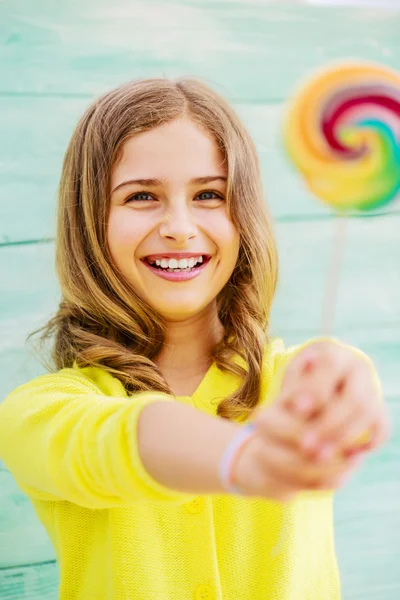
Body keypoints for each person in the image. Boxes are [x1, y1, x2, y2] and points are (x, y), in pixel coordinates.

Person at [0, 78, 390, 600]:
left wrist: (347, 385)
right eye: (142, 196)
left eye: (209, 195)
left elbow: (343, 374)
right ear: (90, 221)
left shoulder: (302, 380)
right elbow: (123, 438)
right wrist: (242, 461)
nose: (180, 227)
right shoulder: (40, 413)